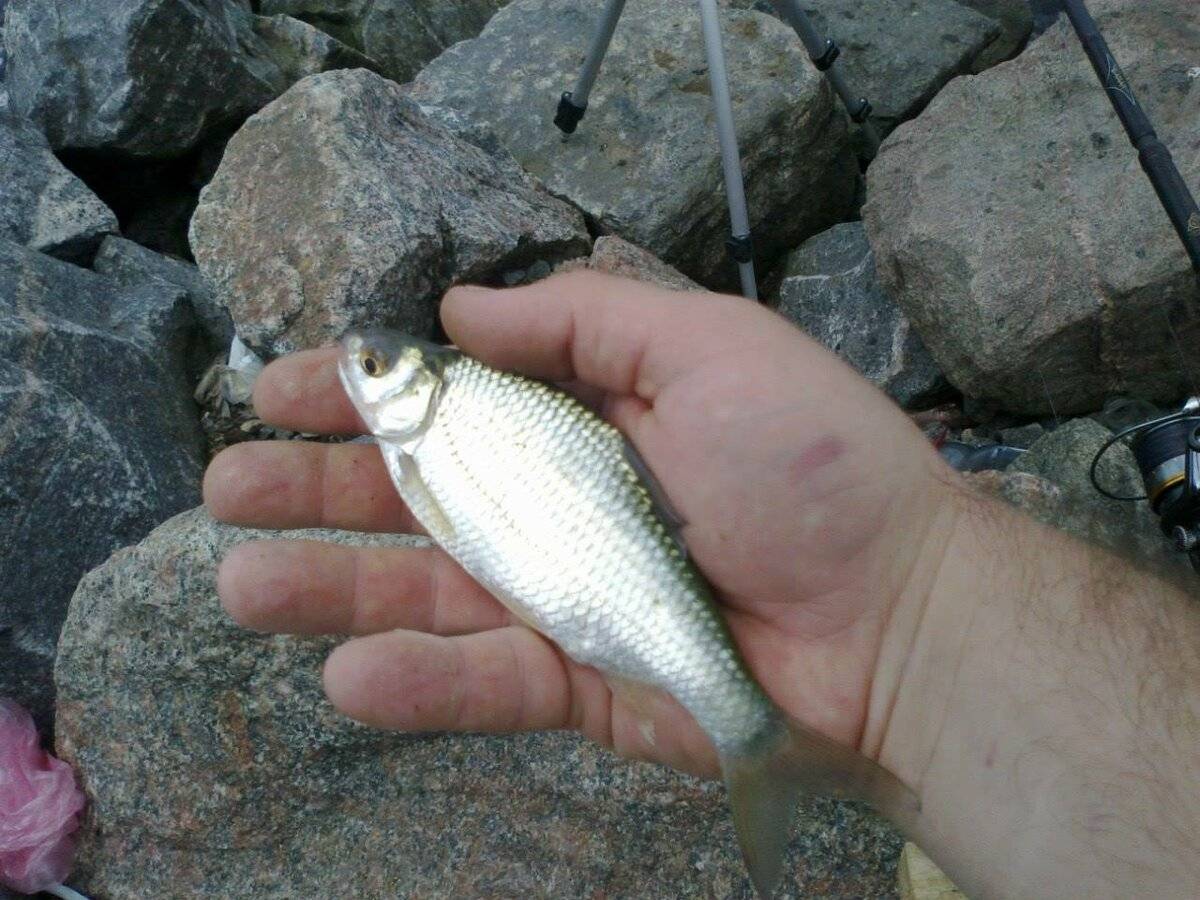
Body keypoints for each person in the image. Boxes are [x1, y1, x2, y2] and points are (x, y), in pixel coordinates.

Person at [204, 270, 1200, 898]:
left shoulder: (450, 421)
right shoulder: (445, 425)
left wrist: (911, 591)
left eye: (373, 365)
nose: (356, 371)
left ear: (411, 382)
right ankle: (766, 746)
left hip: (617, 597)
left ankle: (757, 742)